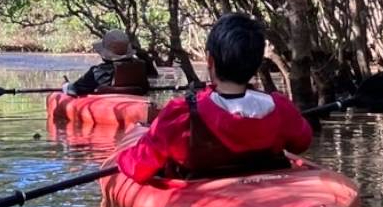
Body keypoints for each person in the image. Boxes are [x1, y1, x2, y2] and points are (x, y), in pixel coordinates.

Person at [116, 12, 313, 183]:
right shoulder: (280, 107)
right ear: (257, 63)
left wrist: (120, 158)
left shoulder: (181, 114)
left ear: (210, 60)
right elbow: (302, 141)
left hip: (201, 195)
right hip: (265, 193)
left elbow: (136, 167)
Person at [62, 29, 154, 96]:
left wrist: (66, 85)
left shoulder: (98, 72)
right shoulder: (141, 68)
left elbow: (75, 89)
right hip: (136, 104)